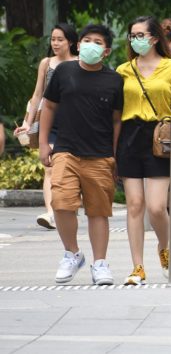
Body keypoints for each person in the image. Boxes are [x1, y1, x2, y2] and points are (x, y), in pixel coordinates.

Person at [38, 24, 123, 285]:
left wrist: (115, 155)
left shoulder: (114, 80)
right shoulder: (64, 72)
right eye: (87, 40)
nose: (90, 45)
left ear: (106, 51)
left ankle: (100, 264)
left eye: (98, 42)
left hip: (99, 154)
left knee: (98, 211)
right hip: (65, 150)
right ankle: (72, 253)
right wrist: (43, 143)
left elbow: (117, 120)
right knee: (61, 203)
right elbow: (49, 106)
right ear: (78, 44)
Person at [116, 16, 171, 285]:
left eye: (140, 35)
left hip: (161, 137)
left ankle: (165, 247)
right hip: (130, 136)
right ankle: (138, 267)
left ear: (155, 38)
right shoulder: (123, 70)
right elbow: (115, 112)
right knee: (135, 205)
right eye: (132, 35)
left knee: (157, 207)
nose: (135, 40)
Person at [14, 23, 78, 230]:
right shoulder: (46, 63)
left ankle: (66, 207)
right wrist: (28, 123)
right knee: (49, 169)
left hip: (75, 124)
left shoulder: (81, 63)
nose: (56, 43)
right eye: (53, 39)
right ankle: (51, 213)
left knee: (72, 168)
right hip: (49, 123)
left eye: (60, 39)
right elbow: (37, 94)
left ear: (71, 42)